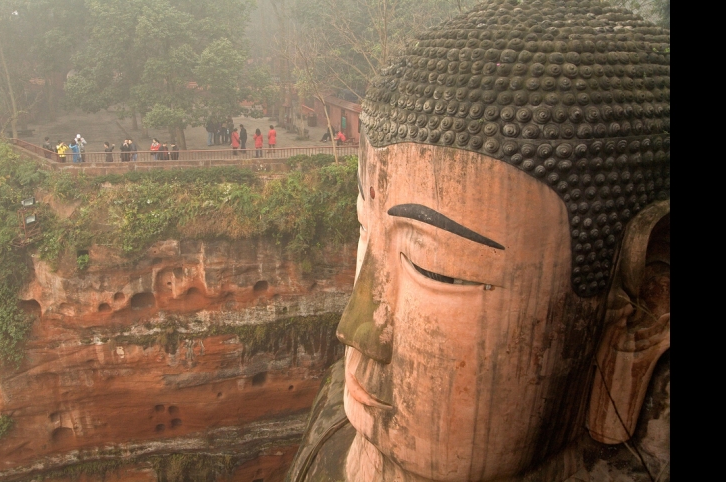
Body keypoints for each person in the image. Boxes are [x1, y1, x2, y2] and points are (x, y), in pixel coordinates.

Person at [285, 1, 671, 481]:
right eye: (364, 231)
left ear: (642, 312)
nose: (357, 330)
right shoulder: (334, 432)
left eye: (435, 268)